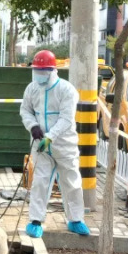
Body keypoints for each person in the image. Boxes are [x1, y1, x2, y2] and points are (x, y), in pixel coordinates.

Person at [20, 49, 89, 239]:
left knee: (71, 182)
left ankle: (76, 219)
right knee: (40, 182)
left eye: (43, 71)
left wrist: (50, 136)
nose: (39, 75)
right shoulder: (31, 89)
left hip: (64, 144)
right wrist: (33, 126)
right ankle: (35, 220)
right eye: (37, 71)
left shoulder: (66, 90)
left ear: (52, 71)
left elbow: (67, 119)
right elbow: (25, 110)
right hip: (40, 145)